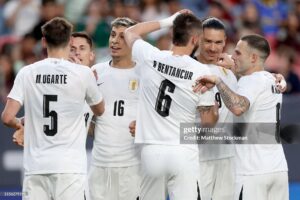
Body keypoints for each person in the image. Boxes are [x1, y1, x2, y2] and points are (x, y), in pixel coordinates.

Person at [1, 17, 105, 200]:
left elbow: (7, 117)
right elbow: (100, 110)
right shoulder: (83, 73)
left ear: (43, 41)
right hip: (70, 169)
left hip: (36, 168)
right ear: (69, 41)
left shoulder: (27, 72)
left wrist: (23, 125)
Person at [125, 10, 218, 200]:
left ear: (173, 34)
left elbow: (130, 32)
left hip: (151, 150)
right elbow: (208, 122)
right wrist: (214, 107)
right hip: (183, 151)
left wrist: (168, 20)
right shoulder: (201, 71)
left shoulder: (151, 56)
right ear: (195, 39)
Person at [194, 34, 288, 200]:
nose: (232, 56)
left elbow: (238, 108)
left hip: (252, 172)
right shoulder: (271, 79)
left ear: (253, 58)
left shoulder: (251, 81)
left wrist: (218, 81)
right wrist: (233, 64)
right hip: (278, 168)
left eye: (237, 53)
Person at [88, 17, 141, 200]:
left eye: (122, 37)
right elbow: (87, 119)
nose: (115, 41)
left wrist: (144, 126)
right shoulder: (96, 71)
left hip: (132, 166)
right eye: (112, 35)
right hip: (99, 164)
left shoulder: (145, 74)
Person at [195, 17, 236, 200]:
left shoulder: (229, 72)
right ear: (197, 39)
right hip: (196, 158)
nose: (213, 48)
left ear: (225, 41)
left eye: (218, 42)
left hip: (227, 157)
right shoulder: (187, 69)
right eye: (208, 41)